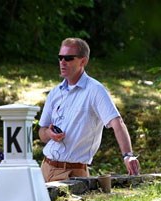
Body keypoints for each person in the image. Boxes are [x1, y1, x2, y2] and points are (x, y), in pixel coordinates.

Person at [38, 37, 140, 182]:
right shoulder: (55, 92)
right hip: (46, 167)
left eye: (68, 58)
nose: (62, 62)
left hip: (74, 173)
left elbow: (117, 123)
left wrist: (128, 155)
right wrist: (49, 133)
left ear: (83, 61)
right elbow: (41, 133)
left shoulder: (95, 90)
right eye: (60, 58)